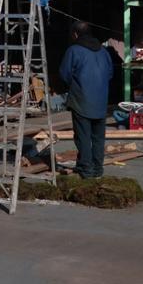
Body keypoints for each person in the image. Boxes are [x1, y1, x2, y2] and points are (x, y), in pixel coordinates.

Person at [59, 21, 113, 179]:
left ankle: (86, 169)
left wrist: (75, 85)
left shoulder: (74, 50)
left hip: (81, 99)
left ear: (75, 34)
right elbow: (110, 74)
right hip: (101, 101)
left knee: (83, 136)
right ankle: (98, 168)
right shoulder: (103, 51)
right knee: (98, 137)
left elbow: (64, 74)